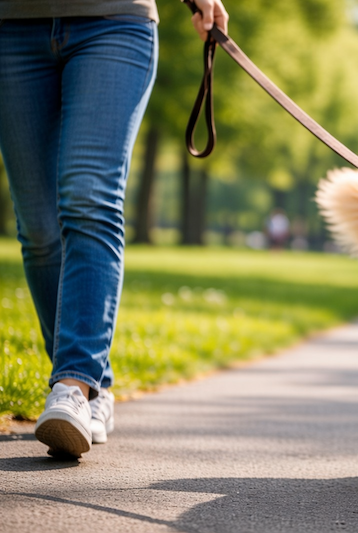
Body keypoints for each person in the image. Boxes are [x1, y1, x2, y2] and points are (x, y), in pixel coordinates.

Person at [0, 0, 228, 458]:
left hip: (113, 21)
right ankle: (94, 387)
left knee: (88, 197)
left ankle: (72, 386)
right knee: (38, 227)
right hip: (12, 25)